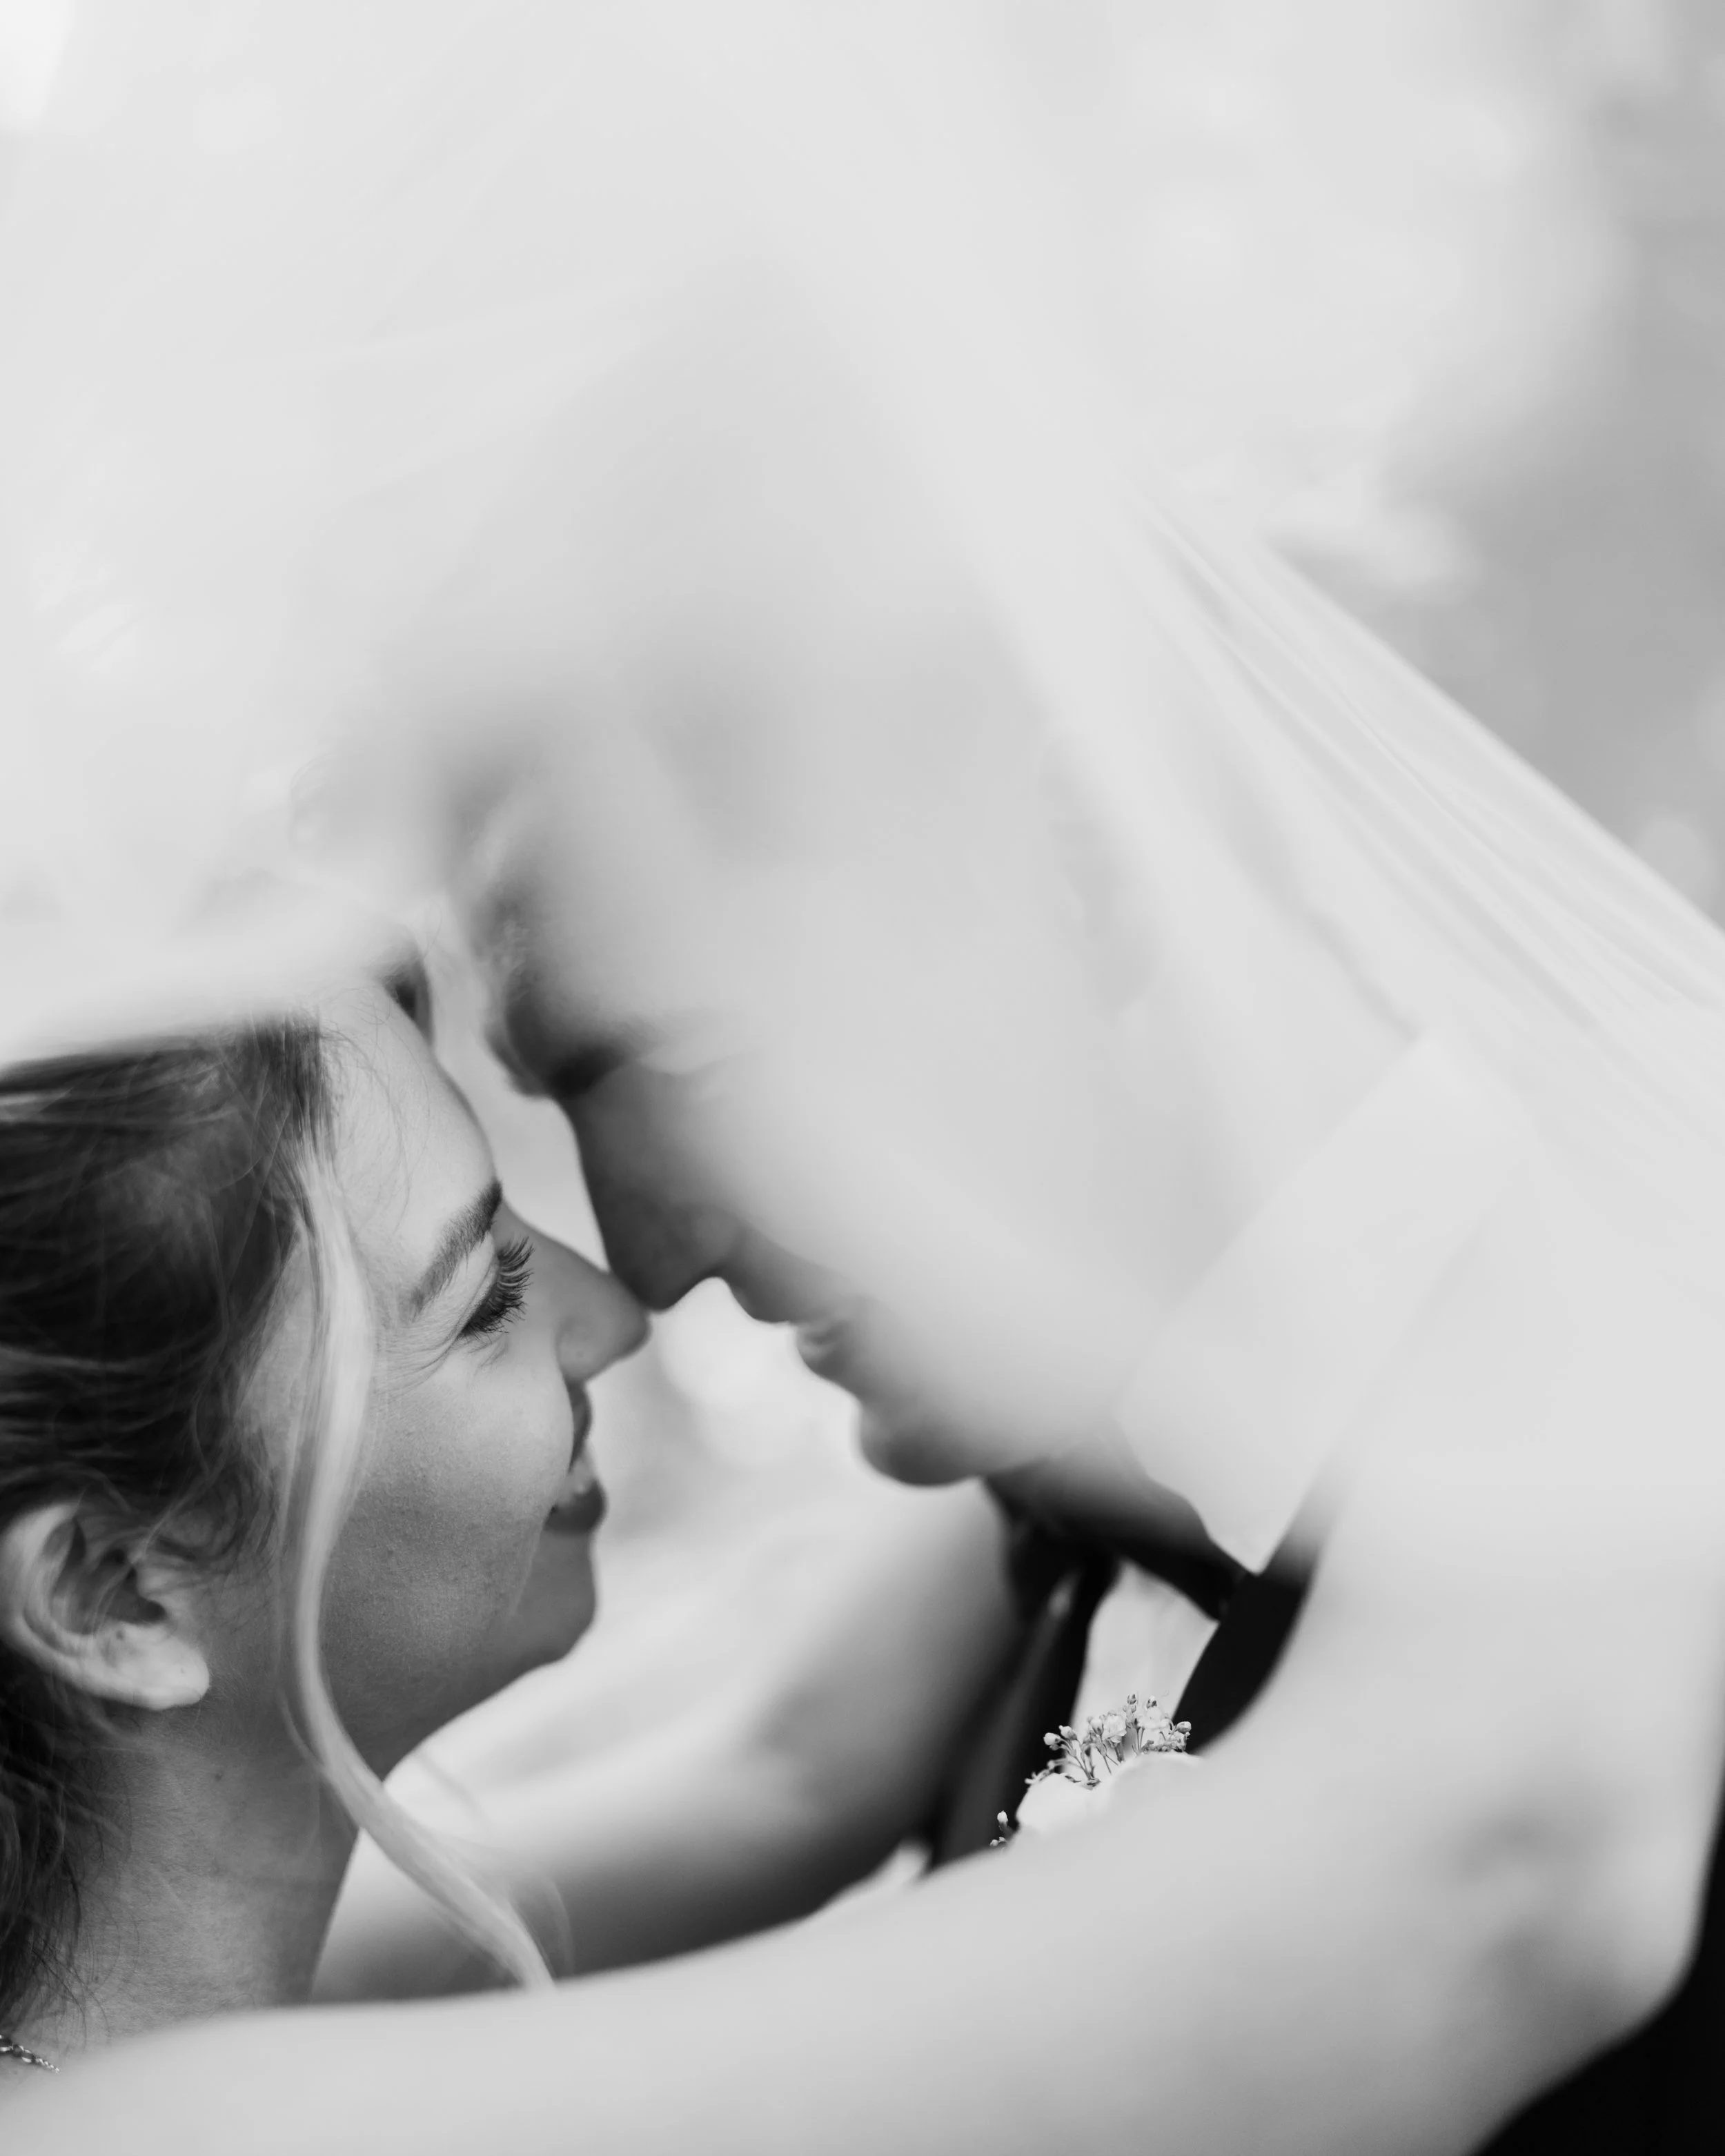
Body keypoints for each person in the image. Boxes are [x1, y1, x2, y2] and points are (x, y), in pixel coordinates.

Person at [6, 7, 1725, 2151]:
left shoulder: (1499, 1412)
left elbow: (816, 1755)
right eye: (535, 1164)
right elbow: (797, 1756)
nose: (636, 1268)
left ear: (1092, 843)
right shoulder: (1177, 1472)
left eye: (673, 1060)